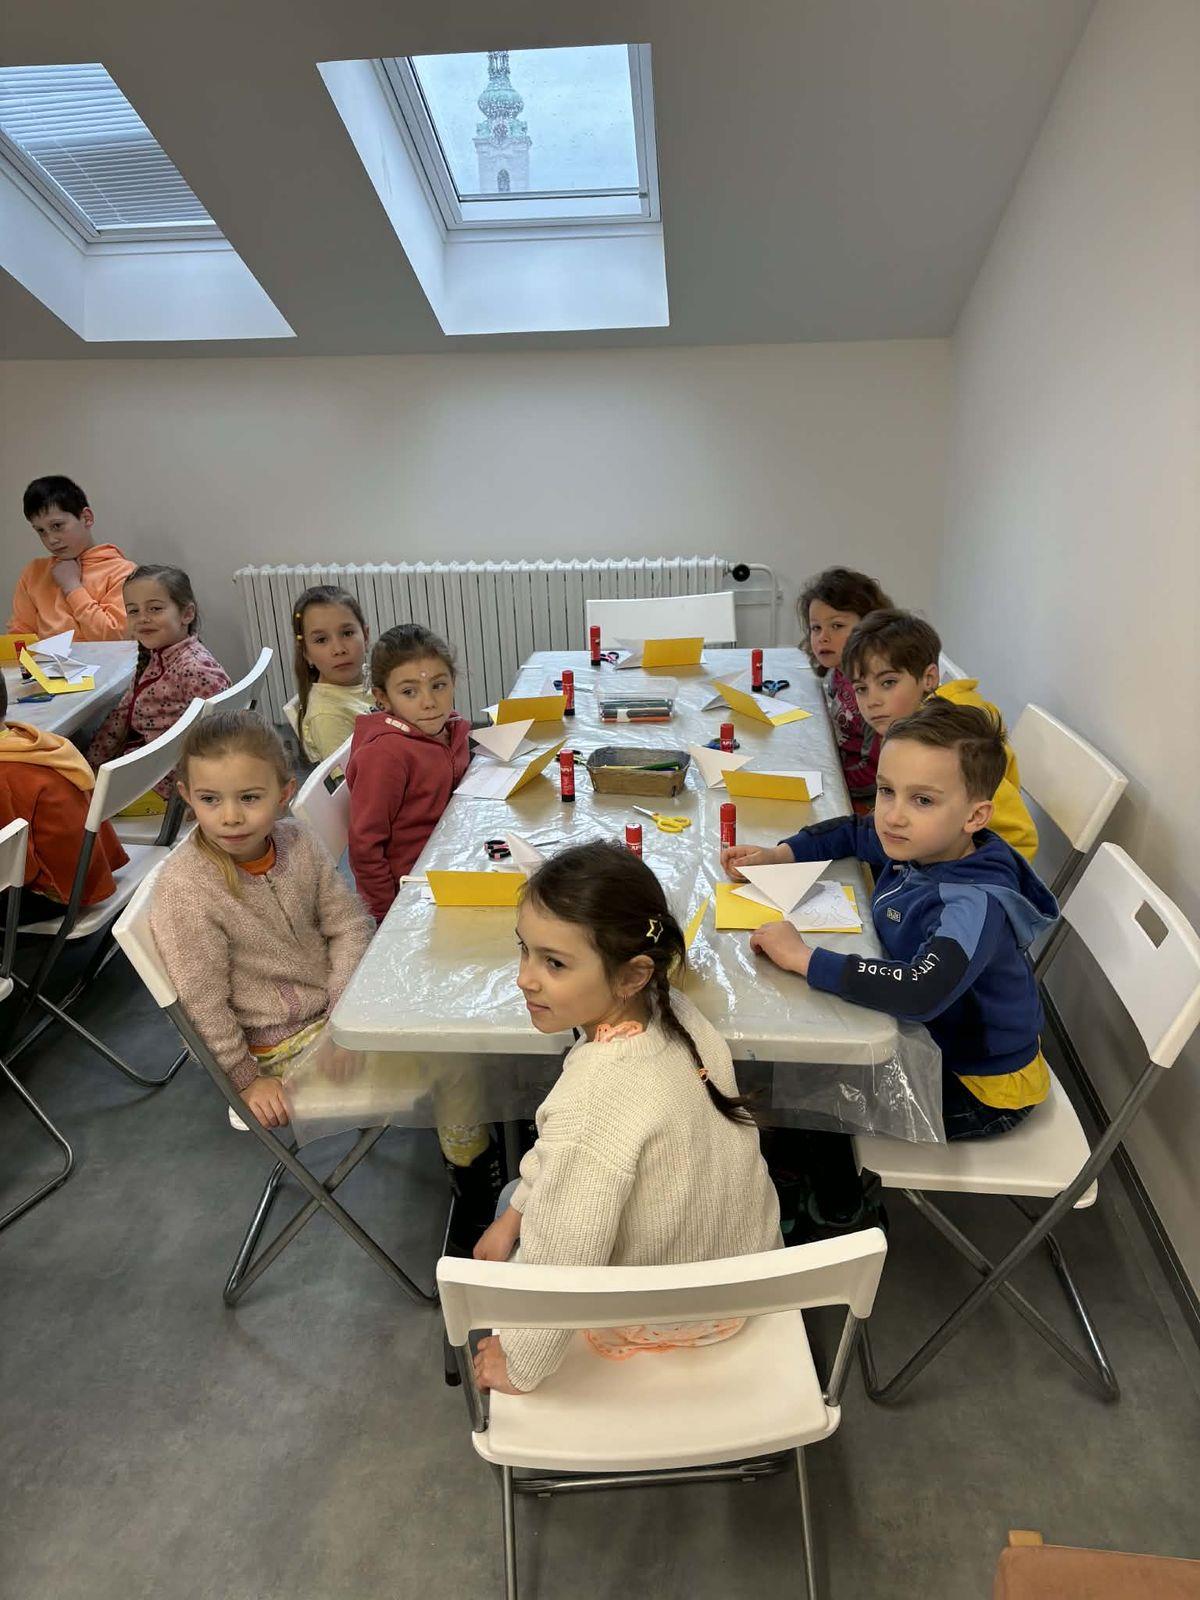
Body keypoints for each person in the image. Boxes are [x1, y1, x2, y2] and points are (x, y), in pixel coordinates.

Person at [470, 841, 781, 1397]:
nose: (524, 978)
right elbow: (570, 1160)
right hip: (746, 1280)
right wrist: (516, 1215)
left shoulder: (594, 1098)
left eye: (554, 963)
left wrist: (519, 1363)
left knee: (514, 1204)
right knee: (516, 1199)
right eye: (525, 950)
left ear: (632, 975)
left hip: (668, 1314)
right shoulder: (674, 1010)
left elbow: (565, 1255)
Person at [724, 701, 1057, 1141]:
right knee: (779, 1081)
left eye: (922, 799)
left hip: (977, 1086)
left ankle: (820, 1178)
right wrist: (778, 854)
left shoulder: (973, 903)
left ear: (975, 816)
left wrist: (804, 958)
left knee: (781, 1097)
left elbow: (919, 990)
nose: (893, 815)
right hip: (929, 1038)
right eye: (886, 791)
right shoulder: (927, 840)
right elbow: (853, 831)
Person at [149, 711, 373, 1129]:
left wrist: (344, 1010)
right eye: (210, 799)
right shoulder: (187, 889)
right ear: (187, 795)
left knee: (439, 1028)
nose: (230, 817)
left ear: (284, 793)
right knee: (444, 1063)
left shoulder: (299, 842)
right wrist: (245, 1080)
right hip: (278, 1044)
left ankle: (472, 1151)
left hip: (338, 1007)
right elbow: (200, 1002)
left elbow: (350, 925)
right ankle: (469, 1161)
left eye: (249, 798)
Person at [842, 608, 1037, 860]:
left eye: (888, 683)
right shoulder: (911, 721)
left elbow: (1019, 836)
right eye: (861, 689)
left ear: (929, 678)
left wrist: (979, 876)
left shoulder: (954, 744)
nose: (872, 701)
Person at [345, 624, 470, 925]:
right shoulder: (384, 756)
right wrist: (387, 916)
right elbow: (365, 848)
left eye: (438, 685)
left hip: (453, 854)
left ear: (453, 681)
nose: (429, 702)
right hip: (416, 892)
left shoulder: (448, 729)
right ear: (383, 697)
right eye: (409, 692)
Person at [86, 566, 231, 800]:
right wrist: (90, 766)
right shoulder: (157, 657)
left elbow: (224, 737)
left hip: (166, 785)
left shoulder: (195, 668)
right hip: (152, 770)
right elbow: (122, 715)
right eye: (133, 611)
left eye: (155, 608)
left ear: (187, 614)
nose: (143, 618)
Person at [0, 674, 127, 922]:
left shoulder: (5, 773)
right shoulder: (26, 742)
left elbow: (15, 870)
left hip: (54, 893)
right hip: (89, 872)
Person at [798, 566, 894, 806]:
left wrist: (827, 782)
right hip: (837, 770)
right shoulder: (838, 672)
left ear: (869, 627)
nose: (823, 637)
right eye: (816, 628)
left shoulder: (873, 695)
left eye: (837, 626)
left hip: (865, 800)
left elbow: (874, 775)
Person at [10, 476, 135, 643]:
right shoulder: (34, 572)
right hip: (42, 661)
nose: (51, 540)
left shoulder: (122, 572)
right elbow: (20, 635)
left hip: (102, 660)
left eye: (57, 526)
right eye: (41, 531)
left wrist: (73, 588)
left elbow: (116, 638)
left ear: (87, 518)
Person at [291, 586, 373, 763]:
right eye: (321, 640)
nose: (339, 649)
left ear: (366, 637)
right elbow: (350, 778)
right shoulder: (327, 717)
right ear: (305, 653)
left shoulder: (370, 675)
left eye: (347, 633)